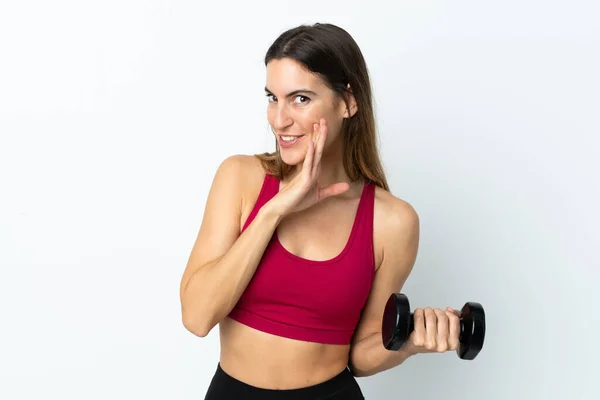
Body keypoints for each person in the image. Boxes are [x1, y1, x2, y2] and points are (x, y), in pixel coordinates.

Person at [179, 22, 462, 399]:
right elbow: (197, 318)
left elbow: (361, 355)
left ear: (348, 102)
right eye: (272, 97)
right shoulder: (240, 179)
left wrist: (409, 342)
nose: (279, 120)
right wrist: (273, 212)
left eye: (300, 99)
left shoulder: (392, 221)